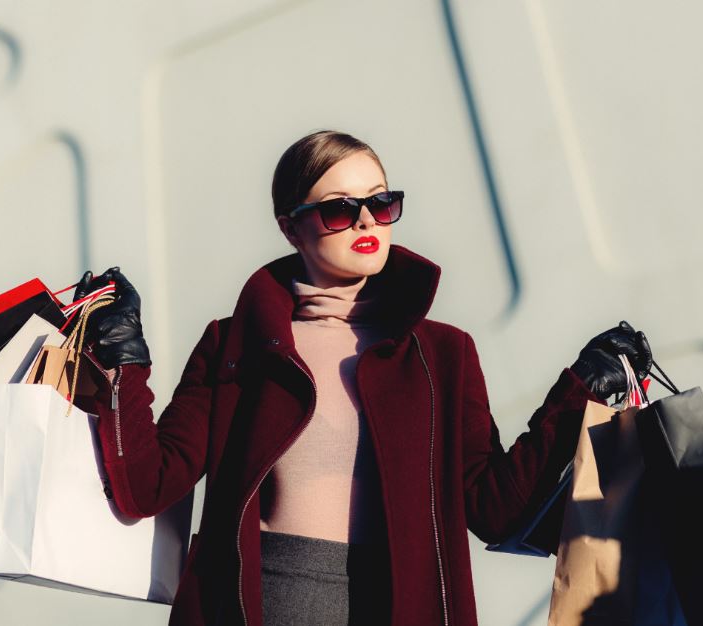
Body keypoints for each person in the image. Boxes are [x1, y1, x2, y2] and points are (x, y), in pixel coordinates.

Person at [72, 130, 652, 626]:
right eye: (339, 210)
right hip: (264, 604)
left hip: (401, 605)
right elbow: (147, 484)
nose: (367, 222)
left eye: (381, 202)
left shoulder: (443, 354)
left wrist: (578, 393)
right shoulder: (236, 344)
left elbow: (493, 508)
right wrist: (124, 361)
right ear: (290, 228)